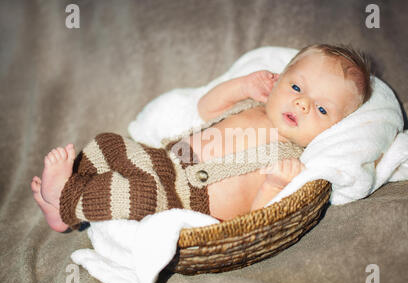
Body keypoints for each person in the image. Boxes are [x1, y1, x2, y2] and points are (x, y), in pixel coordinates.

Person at [30, 44, 371, 232]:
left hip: (192, 198)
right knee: (107, 144)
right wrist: (241, 86)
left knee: (137, 194)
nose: (301, 102)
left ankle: (67, 198)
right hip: (166, 156)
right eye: (296, 87)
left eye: (322, 110)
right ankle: (65, 209)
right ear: (279, 81)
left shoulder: (294, 159)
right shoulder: (256, 103)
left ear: (335, 129)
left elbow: (260, 220)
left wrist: (274, 185)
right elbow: (205, 107)